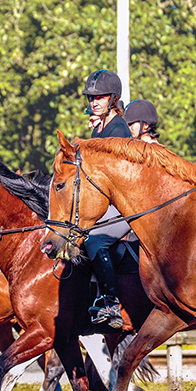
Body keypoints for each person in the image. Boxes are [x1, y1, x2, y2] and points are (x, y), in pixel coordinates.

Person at [81, 70, 132, 328]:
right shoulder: (100, 128)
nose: (94, 102)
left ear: (113, 98)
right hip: (105, 203)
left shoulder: (118, 129)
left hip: (123, 205)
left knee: (94, 239)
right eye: (91, 98)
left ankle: (111, 303)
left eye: (99, 97)